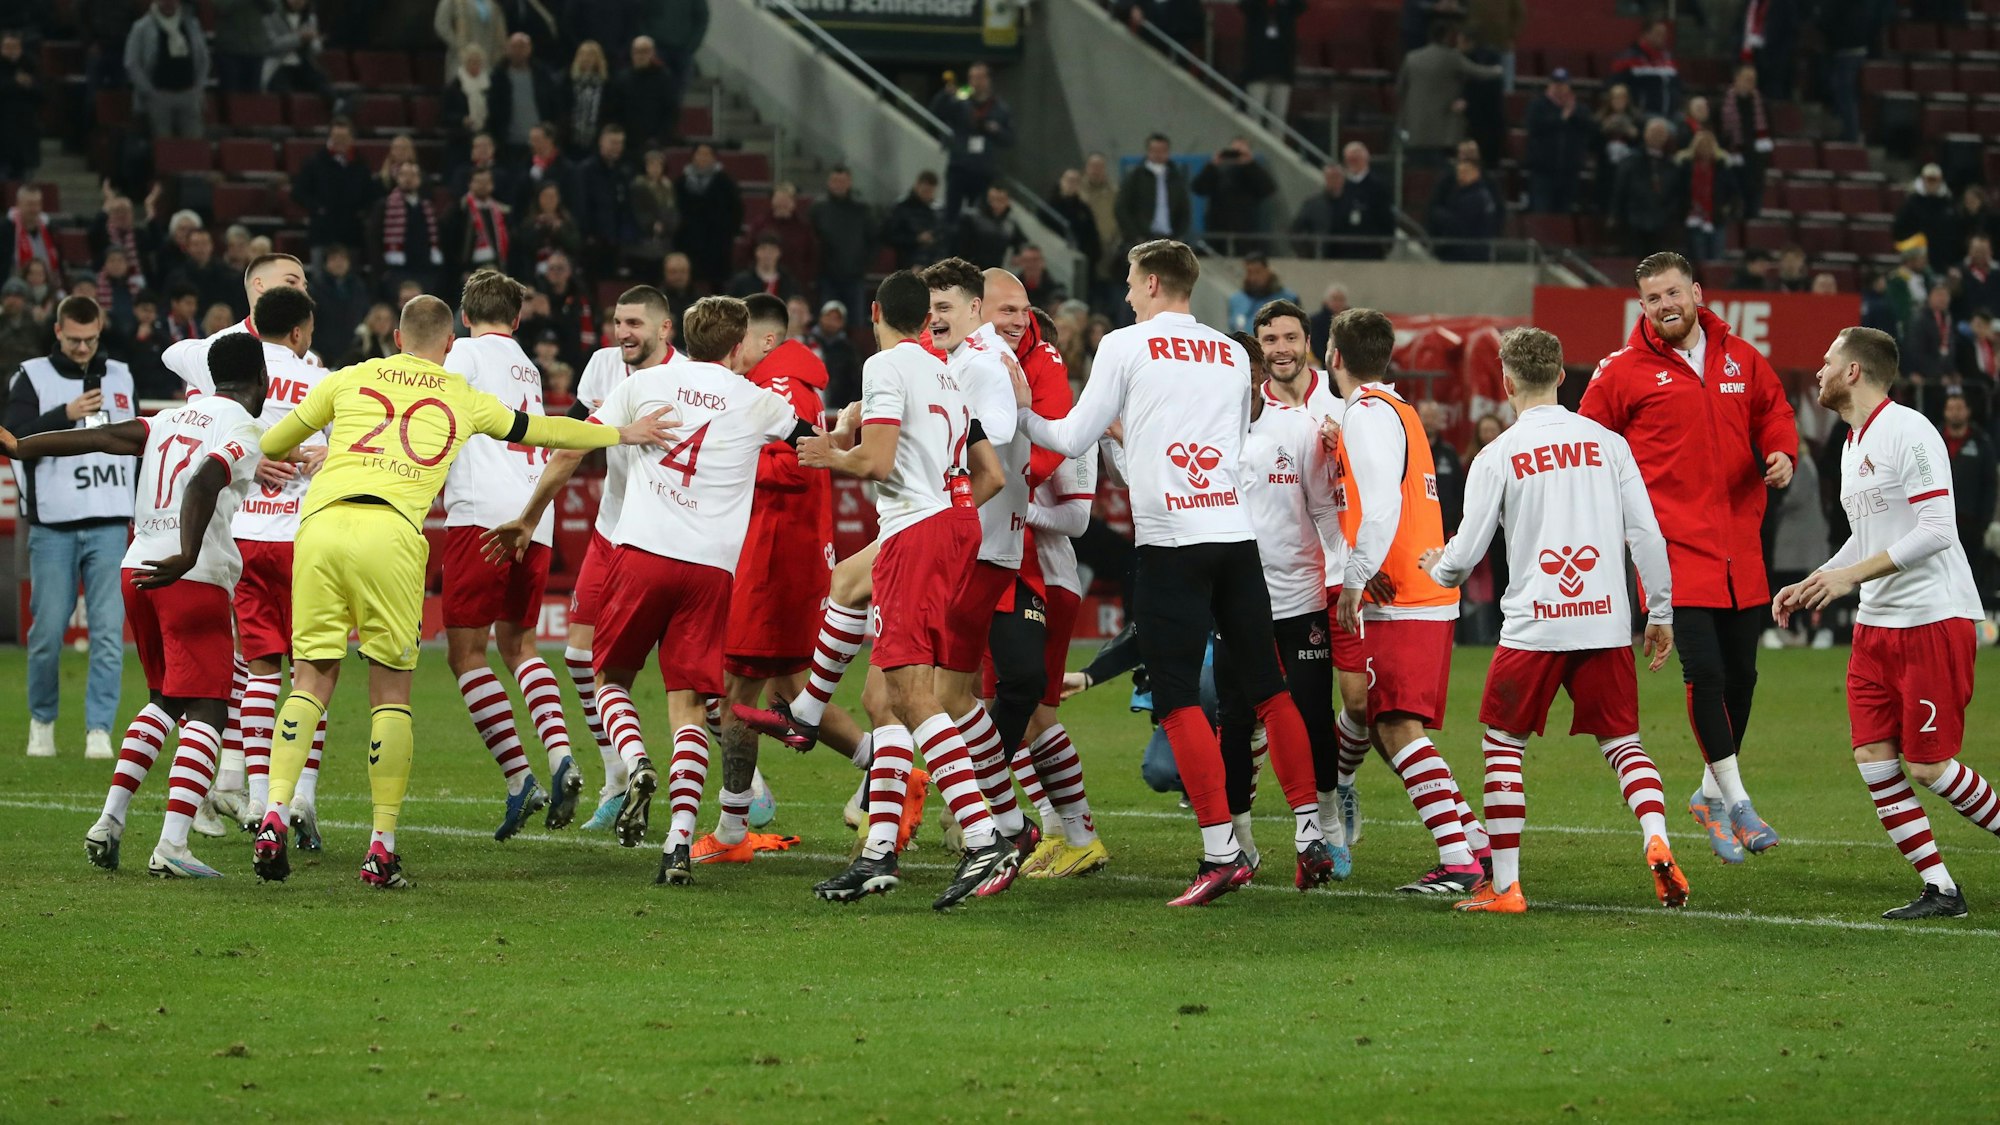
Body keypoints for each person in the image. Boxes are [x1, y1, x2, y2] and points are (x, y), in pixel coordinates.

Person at [248, 295, 677, 888]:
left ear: (396, 337)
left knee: (310, 678)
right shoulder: (461, 395)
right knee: (391, 692)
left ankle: (272, 812)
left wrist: (307, 453)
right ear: (449, 346)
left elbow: (270, 445)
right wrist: (623, 431)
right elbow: (542, 429)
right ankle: (381, 848)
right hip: (392, 534)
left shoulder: (347, 377)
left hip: (320, 528)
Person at [1007, 240, 1331, 904]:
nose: (1126, 292)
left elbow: (1069, 437)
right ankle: (1309, 833)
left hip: (1172, 545)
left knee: (1178, 700)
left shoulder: (1127, 345)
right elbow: (1228, 446)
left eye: (1130, 280)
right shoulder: (1227, 351)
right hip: (1235, 540)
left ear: (1153, 283)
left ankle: (1221, 853)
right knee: (1271, 690)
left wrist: (1019, 409)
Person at [1420, 326, 1685, 912]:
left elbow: (1463, 559)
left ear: (1506, 382)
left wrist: (1438, 568)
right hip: (1605, 621)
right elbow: (1646, 533)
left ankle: (1507, 885)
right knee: (1625, 744)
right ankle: (1655, 836)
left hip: (1534, 626)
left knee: (1502, 745)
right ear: (1564, 377)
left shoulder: (1498, 454)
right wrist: (1659, 611)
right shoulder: (1609, 444)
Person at [787, 269, 1025, 908]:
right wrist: (944, 513)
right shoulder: (944, 368)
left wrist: (827, 456)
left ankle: (985, 840)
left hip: (920, 533)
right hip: (953, 527)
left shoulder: (886, 365)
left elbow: (878, 462)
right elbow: (991, 474)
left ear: (874, 312)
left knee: (914, 695)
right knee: (882, 696)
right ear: (927, 317)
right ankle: (876, 852)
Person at [9, 333, 266, 875]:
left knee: (165, 703)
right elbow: (204, 479)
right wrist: (188, 551)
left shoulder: (172, 417)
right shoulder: (243, 426)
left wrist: (22, 447)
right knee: (209, 709)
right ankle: (173, 846)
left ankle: (109, 822)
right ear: (260, 380)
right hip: (187, 574)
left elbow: (100, 437)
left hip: (136, 568)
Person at [1580, 252, 1798, 865]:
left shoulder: (1741, 358)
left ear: (1697, 293)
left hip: (1740, 550)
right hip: (1671, 550)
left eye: (1673, 293)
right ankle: (1739, 799)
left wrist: (1781, 452)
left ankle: (1706, 795)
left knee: (1743, 680)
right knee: (1703, 673)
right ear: (1642, 306)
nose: (1665, 306)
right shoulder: (1620, 372)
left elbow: (1775, 413)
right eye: (1652, 299)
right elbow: (1589, 444)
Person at [1774, 327, 1994, 920]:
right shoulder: (1851, 443)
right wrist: (1818, 578)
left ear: (1853, 373)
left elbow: (1937, 530)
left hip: (1930, 618)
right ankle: (1941, 888)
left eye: (1826, 361)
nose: (1817, 371)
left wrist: (1851, 578)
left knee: (1927, 765)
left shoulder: (1909, 429)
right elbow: (1867, 538)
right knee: (1874, 757)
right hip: (1876, 629)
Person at [491, 286, 685, 830]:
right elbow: (572, 438)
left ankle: (749, 790)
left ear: (665, 329)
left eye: (634, 324)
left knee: (688, 676)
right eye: (616, 321)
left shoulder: (687, 380)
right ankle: (617, 775)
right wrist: (531, 506)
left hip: (666, 540)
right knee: (580, 659)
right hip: (610, 531)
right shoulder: (603, 366)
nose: (622, 333)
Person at [1322, 307, 1488, 893]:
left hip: (1399, 594)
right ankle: (1474, 843)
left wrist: (1355, 577)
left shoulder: (1367, 415)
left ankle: (1459, 860)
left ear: (1333, 356)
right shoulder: (1398, 411)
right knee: (1385, 719)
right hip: (1424, 589)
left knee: (1394, 728)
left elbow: (1382, 507)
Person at [435, 270, 583, 838]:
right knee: (519, 644)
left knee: (466, 653)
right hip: (532, 515)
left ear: (463, 316)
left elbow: (437, 414)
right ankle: (561, 753)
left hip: (483, 517)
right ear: (518, 318)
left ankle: (520, 777)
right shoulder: (528, 365)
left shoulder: (464, 355)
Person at [699, 292, 834, 863]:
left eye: (743, 338)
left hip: (774, 559)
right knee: (790, 693)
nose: (734, 350)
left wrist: (725, 452)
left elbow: (798, 464)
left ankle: (733, 829)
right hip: (780, 553)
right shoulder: (787, 383)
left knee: (734, 694)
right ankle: (889, 774)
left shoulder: (779, 386)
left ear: (768, 340)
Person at [1212, 329, 1344, 875]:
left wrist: (1349, 575)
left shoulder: (1296, 426)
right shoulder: (1204, 437)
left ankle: (1325, 828)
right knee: (1235, 720)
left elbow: (1326, 513)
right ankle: (1241, 838)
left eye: (1245, 372)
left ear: (1257, 375)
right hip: (1235, 601)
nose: (1236, 382)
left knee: (1312, 716)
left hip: (1301, 596)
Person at [7, 295, 135, 760]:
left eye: (91, 339)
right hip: (54, 524)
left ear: (100, 331)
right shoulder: (32, 375)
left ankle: (98, 730)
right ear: (58, 331)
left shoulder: (121, 374)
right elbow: (13, 438)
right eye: (75, 339)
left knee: (106, 633)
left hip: (109, 520)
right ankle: (42, 722)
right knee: (46, 633)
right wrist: (65, 414)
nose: (83, 348)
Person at [1396, 20, 1502, 163]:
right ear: (1446, 37)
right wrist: (1498, 70)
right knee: (1437, 172)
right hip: (1442, 131)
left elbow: (1399, 89)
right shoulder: (1452, 57)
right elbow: (1479, 72)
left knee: (1415, 173)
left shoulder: (1411, 57)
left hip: (1415, 127)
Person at [929, 62, 1014, 219]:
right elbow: (937, 112)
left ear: (988, 80)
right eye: (972, 78)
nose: (976, 82)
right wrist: (945, 95)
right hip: (959, 166)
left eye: (980, 78)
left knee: (980, 217)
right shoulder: (961, 103)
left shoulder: (999, 108)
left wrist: (996, 131)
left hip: (984, 169)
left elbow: (1009, 139)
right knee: (952, 214)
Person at [293, 119, 379, 265]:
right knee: (320, 279)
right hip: (322, 232)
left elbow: (369, 195)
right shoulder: (314, 161)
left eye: (344, 138)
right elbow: (298, 192)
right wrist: (318, 208)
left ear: (352, 139)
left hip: (351, 233)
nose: (340, 142)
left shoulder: (361, 164)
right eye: (336, 138)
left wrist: (361, 212)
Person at [125, 0, 210, 139]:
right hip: (158, 94)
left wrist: (198, 88)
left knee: (194, 145)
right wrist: (148, 90)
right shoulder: (141, 27)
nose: (169, 3)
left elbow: (203, 59)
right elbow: (132, 63)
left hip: (189, 94)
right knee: (162, 145)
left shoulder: (192, 25)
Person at [810, 166, 875, 325]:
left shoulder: (861, 210)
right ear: (829, 182)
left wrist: (863, 263)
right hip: (827, 276)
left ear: (849, 183)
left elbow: (874, 240)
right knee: (827, 322)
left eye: (842, 181)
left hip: (855, 276)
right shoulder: (818, 208)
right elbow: (811, 241)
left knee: (856, 323)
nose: (838, 185)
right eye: (835, 181)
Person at [1524, 68, 1593, 214]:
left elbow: (1588, 127)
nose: (1559, 87)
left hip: (1569, 172)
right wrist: (1562, 118)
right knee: (1541, 212)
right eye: (1556, 84)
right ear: (1549, 85)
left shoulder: (1579, 109)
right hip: (1542, 171)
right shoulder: (1538, 106)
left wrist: (1571, 115)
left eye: (1562, 84)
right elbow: (1535, 127)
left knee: (1564, 214)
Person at [1192, 137, 1278, 253]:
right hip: (1218, 226)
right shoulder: (1217, 170)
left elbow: (1268, 189)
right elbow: (1198, 188)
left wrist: (1250, 164)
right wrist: (1212, 165)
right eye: (1233, 151)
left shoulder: (1253, 170)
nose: (1236, 155)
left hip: (1245, 229)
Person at [678, 143, 742, 294]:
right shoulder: (682, 182)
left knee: (718, 284)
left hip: (717, 242)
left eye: (707, 154)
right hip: (689, 240)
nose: (703, 157)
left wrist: (729, 231)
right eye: (700, 153)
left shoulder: (725, 182)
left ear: (714, 158)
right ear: (693, 157)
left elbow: (736, 210)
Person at [1610, 118, 1680, 258]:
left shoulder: (1671, 166)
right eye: (1654, 132)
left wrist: (1668, 214)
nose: (1657, 136)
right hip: (1634, 221)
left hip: (1661, 223)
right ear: (1645, 134)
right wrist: (1615, 215)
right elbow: (1620, 190)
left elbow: (1676, 194)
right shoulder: (1631, 161)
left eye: (1661, 133)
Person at [489, 35, 559, 162]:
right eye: (514, 47)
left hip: (539, 143)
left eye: (522, 47)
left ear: (530, 49)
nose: (518, 51)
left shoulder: (542, 74)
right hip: (508, 143)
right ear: (507, 49)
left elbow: (553, 104)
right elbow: (493, 109)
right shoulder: (498, 76)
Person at [1115, 134, 1191, 246]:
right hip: (1143, 239)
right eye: (1154, 150)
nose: (1158, 154)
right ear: (1148, 151)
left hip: (1170, 239)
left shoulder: (1175, 177)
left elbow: (1185, 209)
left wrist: (1180, 235)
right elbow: (1121, 208)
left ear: (1168, 152)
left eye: (1162, 150)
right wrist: (1135, 236)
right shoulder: (1136, 176)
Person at [605, 36, 678, 153]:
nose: (641, 55)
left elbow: (671, 111)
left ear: (653, 53)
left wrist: (660, 137)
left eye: (645, 51)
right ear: (631, 53)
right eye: (637, 51)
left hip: (654, 142)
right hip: (625, 143)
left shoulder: (664, 78)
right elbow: (614, 110)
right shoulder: (622, 78)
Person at [1239, 0, 1304, 123]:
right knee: (1254, 117)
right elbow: (1244, 6)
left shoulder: (1288, 6)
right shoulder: (1255, 6)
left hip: (1282, 71)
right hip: (1256, 71)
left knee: (1278, 120)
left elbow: (1301, 7)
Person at [1677, 130, 1736, 264]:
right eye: (1701, 144)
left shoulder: (1722, 168)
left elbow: (1732, 192)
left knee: (1717, 259)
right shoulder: (1686, 167)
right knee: (1698, 259)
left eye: (1708, 145)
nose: (1705, 148)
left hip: (1716, 218)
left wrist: (1727, 209)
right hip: (1693, 217)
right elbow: (1680, 191)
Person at [748, 183, 818, 294]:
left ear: (793, 203)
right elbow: (747, 251)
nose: (782, 204)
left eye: (786, 200)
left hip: (794, 285)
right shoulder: (760, 225)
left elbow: (812, 256)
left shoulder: (803, 228)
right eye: (779, 199)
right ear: (772, 201)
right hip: (760, 283)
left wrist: (805, 279)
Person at [1429, 156, 1502, 260]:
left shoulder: (1475, 197)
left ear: (1476, 173)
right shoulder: (1477, 194)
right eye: (1459, 172)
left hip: (1467, 255)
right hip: (1474, 252)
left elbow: (1458, 226)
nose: (1461, 175)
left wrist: (1440, 216)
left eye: (1466, 171)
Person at [1896, 165, 1965, 275]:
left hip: (1944, 261)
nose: (1931, 183)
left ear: (1940, 180)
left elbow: (1957, 233)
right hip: (1917, 262)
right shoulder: (1911, 204)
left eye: (1934, 180)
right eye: (1929, 180)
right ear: (1923, 180)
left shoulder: (1949, 204)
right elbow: (1899, 231)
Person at [1610, 18, 1679, 119]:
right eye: (1658, 33)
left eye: (1664, 34)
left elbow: (1677, 86)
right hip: (1642, 115)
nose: (1663, 38)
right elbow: (1615, 87)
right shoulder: (1628, 59)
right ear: (1646, 34)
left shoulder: (1669, 60)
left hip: (1671, 114)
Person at [1044, 170, 1102, 283]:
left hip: (1082, 259)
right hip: (1056, 257)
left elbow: (1092, 235)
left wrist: (1092, 255)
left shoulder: (1084, 209)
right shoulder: (1049, 208)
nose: (1071, 184)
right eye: (1069, 180)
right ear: (1061, 181)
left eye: (1075, 181)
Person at [1340, 142, 1395, 259]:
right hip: (1343, 249)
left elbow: (1386, 217)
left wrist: (1386, 243)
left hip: (1371, 249)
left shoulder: (1378, 187)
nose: (1353, 163)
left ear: (1365, 160)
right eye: (1350, 160)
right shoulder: (1341, 186)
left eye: (1356, 159)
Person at [0, 31, 43, 181]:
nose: (11, 51)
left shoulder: (31, 66)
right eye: (7, 47)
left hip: (25, 133)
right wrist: (15, 83)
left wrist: (29, 85)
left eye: (15, 47)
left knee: (22, 182)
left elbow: (43, 96)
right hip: (3, 132)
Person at [262, 0, 327, 97]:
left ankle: (337, 105)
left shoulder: (310, 18)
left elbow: (316, 50)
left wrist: (314, 41)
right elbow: (271, 45)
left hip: (302, 64)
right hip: (279, 65)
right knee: (284, 89)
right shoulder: (272, 16)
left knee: (321, 80)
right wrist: (298, 38)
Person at [956, 183, 1026, 270]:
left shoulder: (1010, 223)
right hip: (969, 269)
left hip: (993, 271)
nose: (995, 204)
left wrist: (1017, 253)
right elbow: (960, 247)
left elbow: (1021, 241)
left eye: (1001, 200)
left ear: (1007, 201)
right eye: (992, 199)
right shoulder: (971, 218)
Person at [886, 170, 946, 270]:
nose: (928, 195)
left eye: (931, 192)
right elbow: (889, 235)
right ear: (917, 186)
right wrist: (916, 238)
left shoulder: (938, 210)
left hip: (933, 265)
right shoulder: (902, 208)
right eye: (925, 191)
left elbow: (943, 236)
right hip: (909, 264)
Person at [562, 41, 610, 164]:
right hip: (570, 139)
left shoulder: (607, 86)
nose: (587, 59)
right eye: (583, 55)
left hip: (596, 140)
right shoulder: (566, 82)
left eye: (591, 55)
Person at [1226, 253, 1298, 332]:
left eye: (1258, 272)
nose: (1253, 278)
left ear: (1268, 271)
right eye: (1249, 272)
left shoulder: (1287, 299)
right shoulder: (1236, 300)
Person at [433, 0, 506, 78]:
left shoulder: (492, 4)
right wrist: (459, 45)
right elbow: (441, 25)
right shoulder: (452, 2)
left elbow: (499, 32)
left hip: (487, 62)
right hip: (461, 61)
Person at [811, 300, 860, 409]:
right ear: (821, 318)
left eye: (837, 319)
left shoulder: (849, 350)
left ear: (843, 323)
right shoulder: (808, 343)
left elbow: (855, 380)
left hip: (838, 407)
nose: (831, 322)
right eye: (828, 316)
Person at [726, 232, 802, 302]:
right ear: (756, 252)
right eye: (763, 249)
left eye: (772, 250)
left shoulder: (788, 283)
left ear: (779, 253)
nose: (767, 254)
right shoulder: (740, 283)